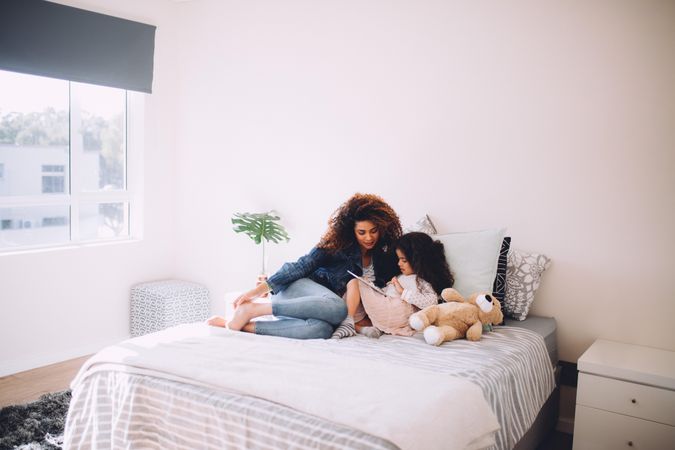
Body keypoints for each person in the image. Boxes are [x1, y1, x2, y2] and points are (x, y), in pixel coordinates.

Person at [206, 193, 402, 339]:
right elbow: (301, 266)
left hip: (318, 309)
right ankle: (254, 309)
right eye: (362, 232)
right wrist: (255, 292)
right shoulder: (337, 246)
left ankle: (236, 325)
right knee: (338, 308)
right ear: (351, 231)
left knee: (322, 330)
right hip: (298, 290)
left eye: (373, 231)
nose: (369, 237)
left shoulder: (384, 257)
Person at [331, 231, 454, 339]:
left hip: (397, 310)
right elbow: (387, 293)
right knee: (359, 299)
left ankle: (347, 322)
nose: (399, 263)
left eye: (404, 260)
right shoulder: (402, 276)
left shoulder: (422, 281)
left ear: (418, 260)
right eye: (399, 259)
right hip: (393, 315)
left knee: (354, 282)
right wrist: (376, 287)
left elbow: (431, 301)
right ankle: (360, 328)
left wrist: (402, 291)